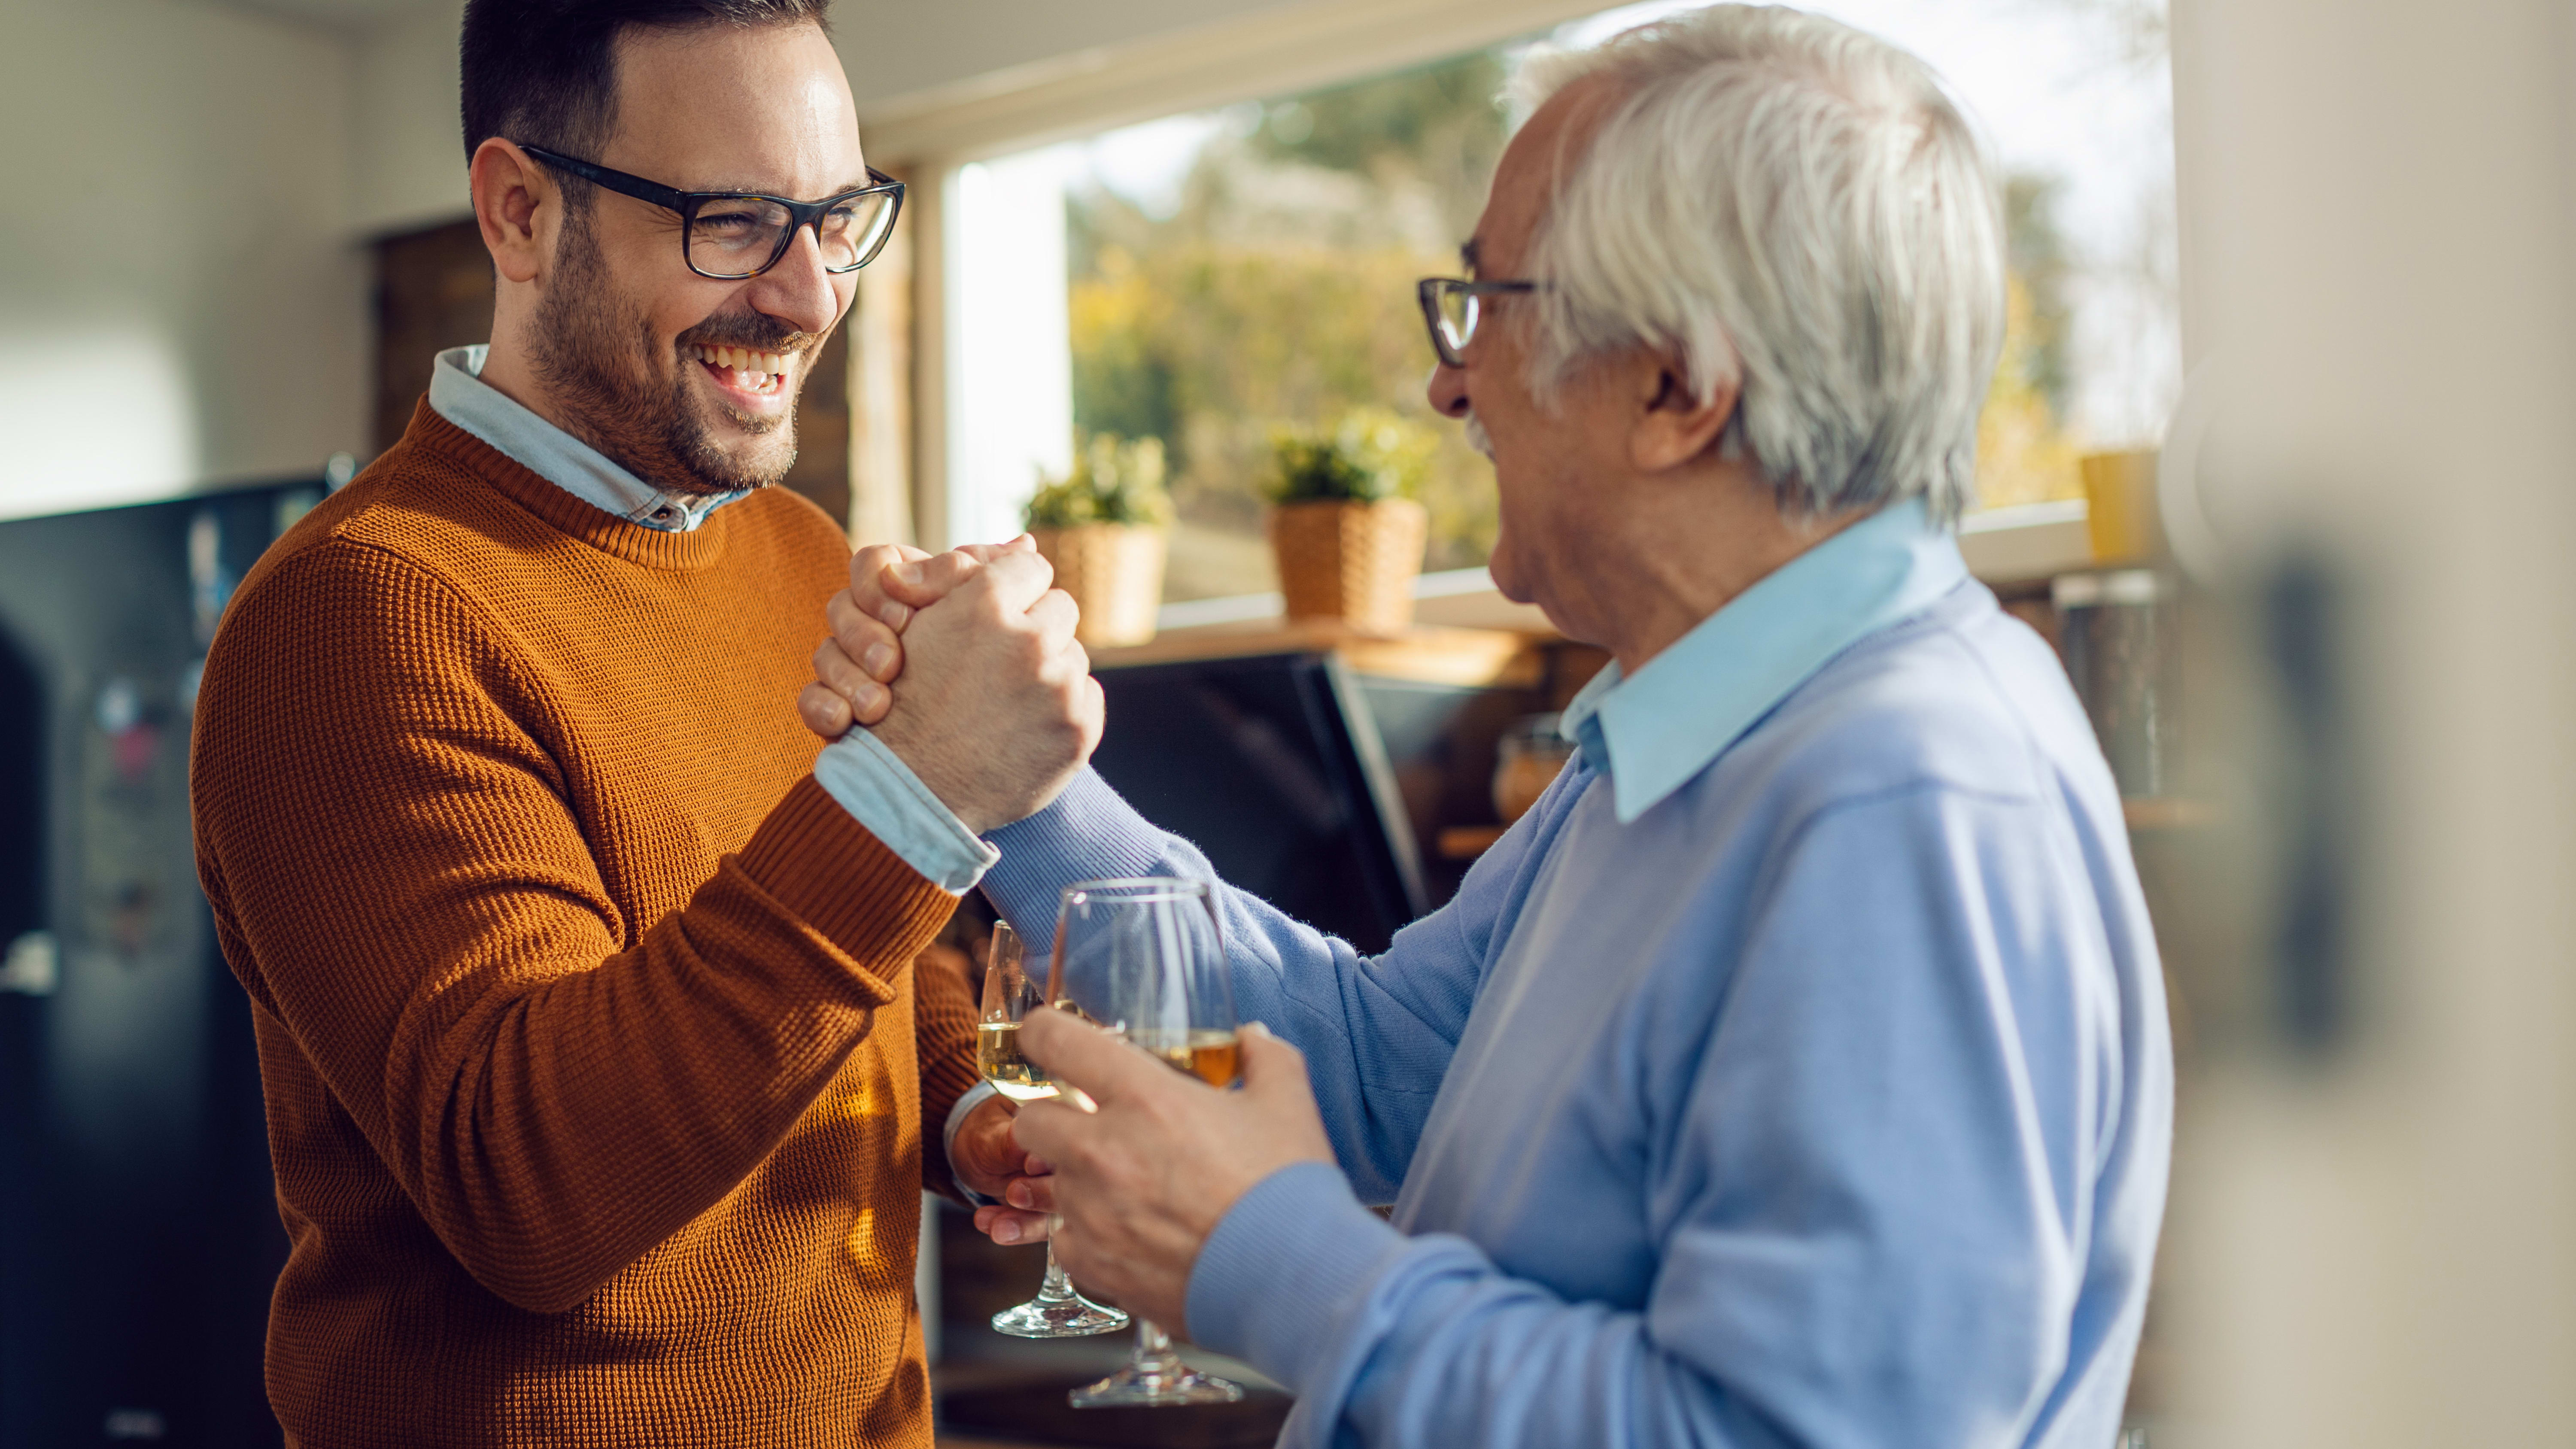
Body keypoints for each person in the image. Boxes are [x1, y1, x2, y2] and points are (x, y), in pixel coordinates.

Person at [801, 7, 2173, 1446]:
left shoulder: (1905, 799)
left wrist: (1264, 1254)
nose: (1449, 384)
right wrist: (1016, 780)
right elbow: (1380, 1057)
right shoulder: (1690, 730)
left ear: (1677, 390)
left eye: (1488, 308)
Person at [188, 2, 1090, 1444]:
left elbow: (856, 964)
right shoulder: (356, 617)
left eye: (837, 216)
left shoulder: (794, 547)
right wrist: (920, 789)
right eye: (734, 222)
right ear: (521, 211)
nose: (808, 296)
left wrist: (974, 1105)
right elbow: (530, 1188)